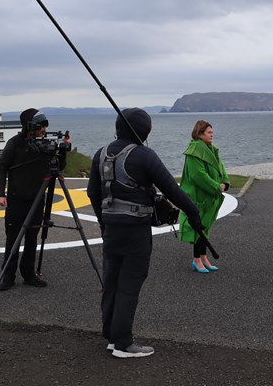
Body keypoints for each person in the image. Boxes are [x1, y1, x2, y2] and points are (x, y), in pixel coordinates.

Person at [87, 108, 202, 358]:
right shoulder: (144, 155)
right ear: (144, 131)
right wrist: (193, 214)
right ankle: (124, 344)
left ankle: (112, 335)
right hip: (136, 230)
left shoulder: (100, 154)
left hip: (111, 230)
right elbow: (172, 190)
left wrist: (104, 222)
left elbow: (93, 193)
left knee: (112, 282)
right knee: (130, 284)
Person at [0, 108, 65, 291]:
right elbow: (2, 167)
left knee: (32, 238)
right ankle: (7, 275)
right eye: (41, 126)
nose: (43, 130)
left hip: (36, 199)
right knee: (13, 239)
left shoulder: (45, 145)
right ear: (30, 126)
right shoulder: (15, 143)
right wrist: (0, 193)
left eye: (44, 126)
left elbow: (58, 166)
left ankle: (29, 274)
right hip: (17, 199)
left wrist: (63, 150)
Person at [178, 120, 229, 273]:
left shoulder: (212, 149)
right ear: (199, 134)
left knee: (205, 226)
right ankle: (196, 260)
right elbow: (197, 175)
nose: (212, 135)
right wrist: (216, 186)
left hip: (210, 194)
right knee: (198, 227)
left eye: (212, 132)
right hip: (199, 194)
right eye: (209, 133)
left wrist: (225, 182)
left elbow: (221, 166)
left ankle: (203, 257)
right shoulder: (194, 151)